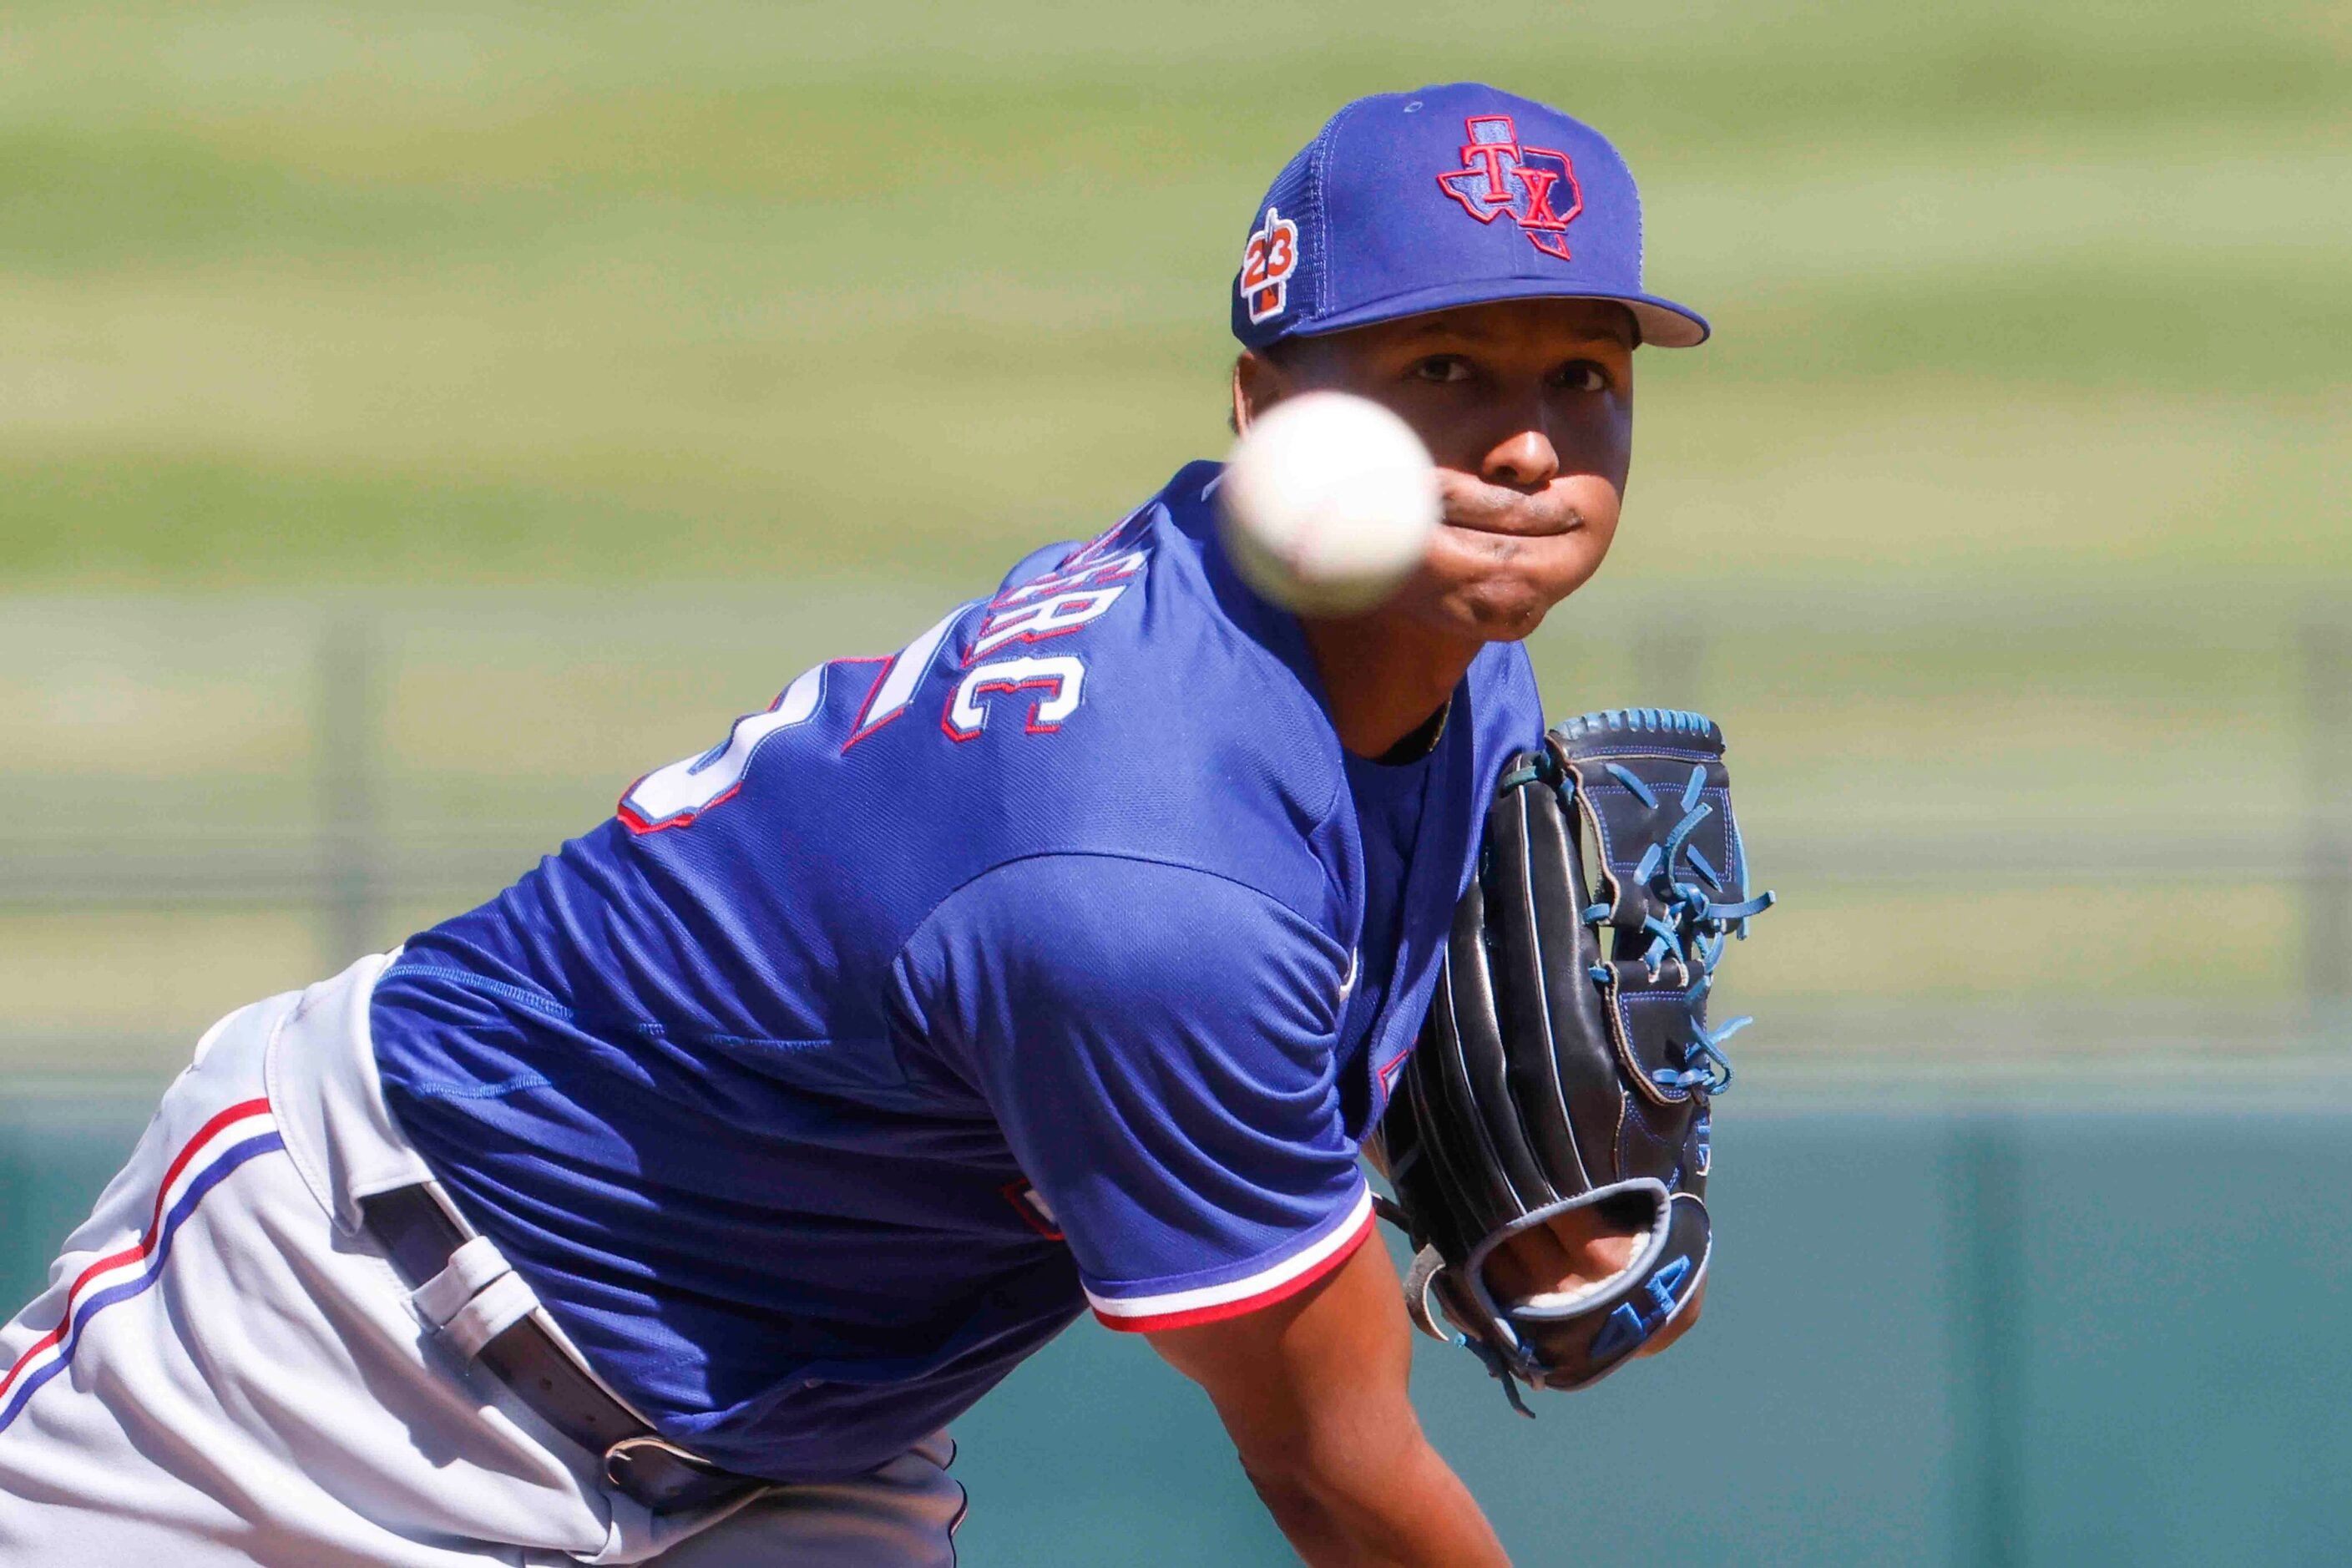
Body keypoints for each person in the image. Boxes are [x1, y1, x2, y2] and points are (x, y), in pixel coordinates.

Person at [0, 82, 1711, 1566]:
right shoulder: (1139, 877)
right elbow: (1334, 1470)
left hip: (787, 1461)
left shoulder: (1441, 664)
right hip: (340, 1337)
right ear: (1265, 411)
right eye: (1440, 363)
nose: (1525, 445)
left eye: (1581, 371)